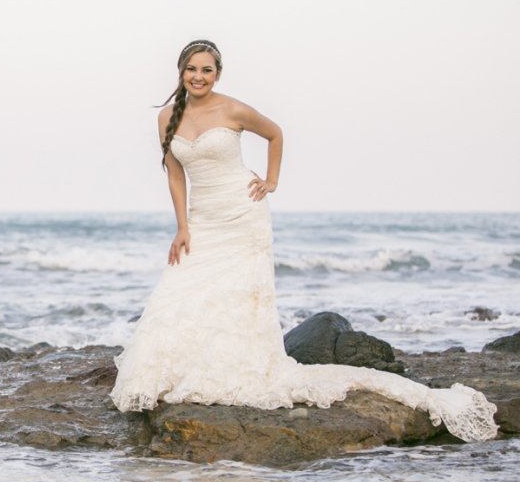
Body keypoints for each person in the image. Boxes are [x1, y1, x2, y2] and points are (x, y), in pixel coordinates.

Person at [108, 39, 499, 443]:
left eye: (207, 70)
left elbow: (275, 134)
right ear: (181, 71)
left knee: (239, 293)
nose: (199, 76)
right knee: (185, 288)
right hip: (203, 219)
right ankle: (187, 364)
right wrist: (182, 226)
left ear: (218, 74)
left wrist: (271, 180)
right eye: (192, 69)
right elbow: (175, 174)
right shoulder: (168, 117)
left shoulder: (233, 109)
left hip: (244, 214)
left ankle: (238, 365)